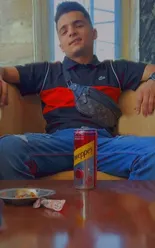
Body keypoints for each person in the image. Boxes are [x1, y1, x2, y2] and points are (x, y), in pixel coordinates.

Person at [0, 1, 155, 180]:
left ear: (94, 33)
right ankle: (28, 206)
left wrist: (152, 81)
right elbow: (5, 71)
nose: (71, 32)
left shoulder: (114, 69)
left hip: (102, 144)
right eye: (64, 31)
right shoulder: (46, 71)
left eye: (78, 25)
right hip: (56, 144)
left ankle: (132, 207)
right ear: (61, 45)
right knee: (7, 148)